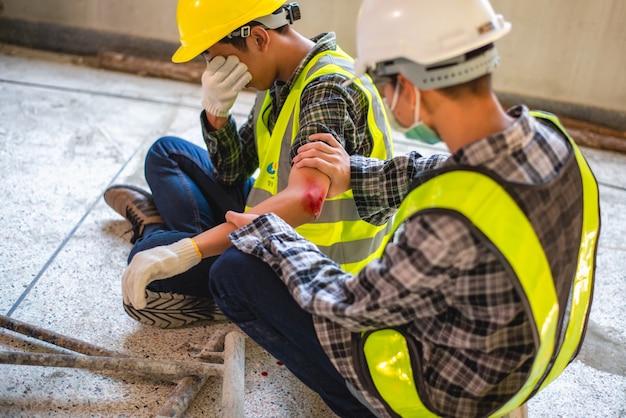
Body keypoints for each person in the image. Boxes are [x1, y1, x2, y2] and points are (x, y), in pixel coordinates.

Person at [207, 0, 601, 417]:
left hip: (445, 400)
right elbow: (442, 168)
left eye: (381, 81)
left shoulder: (445, 221)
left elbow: (349, 303)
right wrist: (354, 173)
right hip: (531, 366)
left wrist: (272, 233)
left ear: (407, 88)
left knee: (235, 272)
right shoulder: (554, 139)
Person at [103, 0, 393, 329]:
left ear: (258, 38)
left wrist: (185, 251)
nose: (212, 71)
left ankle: (157, 231)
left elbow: (306, 202)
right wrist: (217, 113)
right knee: (165, 153)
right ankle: (205, 256)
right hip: (269, 225)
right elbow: (231, 172)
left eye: (215, 57)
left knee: (151, 253)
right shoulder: (283, 79)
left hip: (311, 263)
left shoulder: (326, 90)